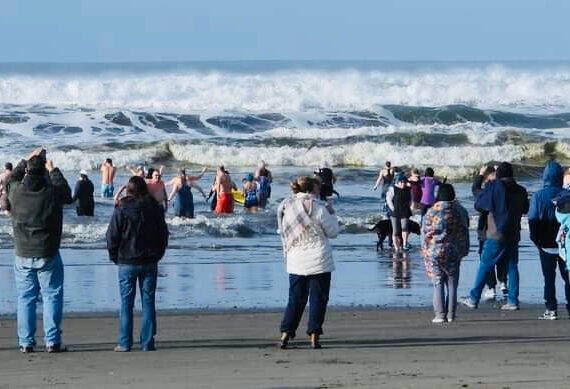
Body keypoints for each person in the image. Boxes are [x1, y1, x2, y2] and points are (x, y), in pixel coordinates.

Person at [5, 148, 72, 353]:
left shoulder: (16, 191)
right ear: (42, 172)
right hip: (47, 251)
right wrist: (53, 169)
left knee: (26, 298)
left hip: (23, 252)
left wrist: (25, 160)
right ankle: (52, 341)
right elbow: (66, 193)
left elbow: (10, 179)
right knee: (52, 295)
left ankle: (26, 342)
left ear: (27, 172)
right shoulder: (51, 193)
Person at [106, 176, 169, 352]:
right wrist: (159, 253)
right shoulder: (154, 207)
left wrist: (114, 256)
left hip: (127, 260)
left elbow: (112, 236)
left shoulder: (122, 208)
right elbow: (163, 234)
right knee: (148, 301)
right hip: (149, 259)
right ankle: (147, 342)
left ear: (129, 190)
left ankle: (125, 343)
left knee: (126, 302)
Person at [277, 176, 339, 349]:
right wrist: (332, 213)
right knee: (318, 298)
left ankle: (286, 334)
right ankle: (314, 335)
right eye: (318, 189)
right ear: (312, 190)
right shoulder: (319, 208)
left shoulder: (287, 207)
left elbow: (284, 232)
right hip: (319, 258)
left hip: (296, 259)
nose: (319, 192)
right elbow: (333, 232)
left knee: (295, 298)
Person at [461, 162, 529, 311]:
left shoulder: (495, 187)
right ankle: (513, 300)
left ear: (499, 175)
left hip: (496, 233)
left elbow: (479, 202)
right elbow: (526, 208)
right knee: (512, 266)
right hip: (514, 233)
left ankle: (474, 298)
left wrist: (480, 176)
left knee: (485, 264)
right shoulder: (521, 190)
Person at [421, 184, 470, 323]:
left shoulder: (431, 211)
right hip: (454, 250)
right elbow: (465, 230)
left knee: (438, 282)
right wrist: (464, 248)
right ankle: (451, 315)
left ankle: (440, 314)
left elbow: (424, 232)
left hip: (435, 250)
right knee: (452, 283)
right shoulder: (460, 210)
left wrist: (425, 250)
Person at [528, 161, 570, 320]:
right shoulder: (566, 195)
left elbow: (532, 219)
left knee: (549, 278)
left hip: (545, 243)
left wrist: (535, 239)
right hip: (564, 244)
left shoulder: (538, 196)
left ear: (545, 176)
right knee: (567, 277)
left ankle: (551, 308)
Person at [472, 165, 507, 300]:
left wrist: (480, 174)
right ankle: (502, 282)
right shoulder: (505, 190)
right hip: (502, 229)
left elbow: (475, 190)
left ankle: (491, 287)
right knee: (502, 257)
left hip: (487, 231)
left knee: (486, 259)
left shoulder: (487, 192)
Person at [386, 173, 412, 254]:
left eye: (404, 182)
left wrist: (410, 206)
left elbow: (411, 199)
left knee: (405, 227)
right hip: (395, 212)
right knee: (396, 231)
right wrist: (393, 209)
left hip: (405, 210)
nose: (403, 183)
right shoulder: (392, 188)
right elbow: (388, 199)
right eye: (402, 182)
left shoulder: (408, 189)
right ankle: (397, 248)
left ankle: (404, 244)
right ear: (398, 182)